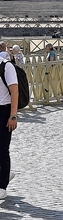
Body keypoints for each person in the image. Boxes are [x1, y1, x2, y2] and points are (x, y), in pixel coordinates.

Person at [0, 45, 19, 201]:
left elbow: (14, 91)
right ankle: (5, 174)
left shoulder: (6, 66)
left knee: (2, 149)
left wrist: (13, 116)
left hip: (4, 111)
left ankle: (2, 187)